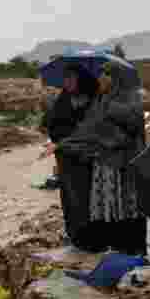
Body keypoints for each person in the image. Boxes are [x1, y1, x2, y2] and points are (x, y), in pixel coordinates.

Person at [42, 61, 148, 256]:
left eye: (106, 75)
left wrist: (108, 116)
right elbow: (87, 130)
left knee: (128, 208)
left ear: (117, 78)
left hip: (125, 166)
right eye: (101, 74)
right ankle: (114, 250)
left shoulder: (130, 99)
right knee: (109, 206)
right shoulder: (100, 101)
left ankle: (134, 252)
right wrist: (61, 144)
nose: (101, 78)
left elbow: (128, 130)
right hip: (103, 165)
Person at [39, 65, 105, 251]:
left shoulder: (96, 98)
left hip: (91, 159)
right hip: (68, 160)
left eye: (71, 78)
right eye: (65, 78)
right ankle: (77, 237)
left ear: (81, 79)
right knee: (72, 198)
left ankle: (97, 239)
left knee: (92, 197)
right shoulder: (62, 100)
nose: (66, 82)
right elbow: (50, 126)